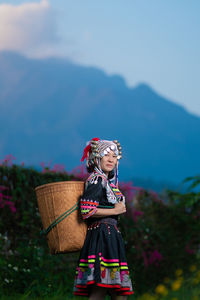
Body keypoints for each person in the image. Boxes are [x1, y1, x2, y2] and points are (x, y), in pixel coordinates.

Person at [73, 138, 134, 299]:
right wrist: (115, 210)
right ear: (97, 158)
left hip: (110, 237)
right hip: (101, 237)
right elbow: (86, 211)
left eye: (114, 156)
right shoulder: (97, 180)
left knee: (117, 292)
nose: (111, 159)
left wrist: (116, 210)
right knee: (100, 289)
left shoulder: (108, 183)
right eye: (106, 155)